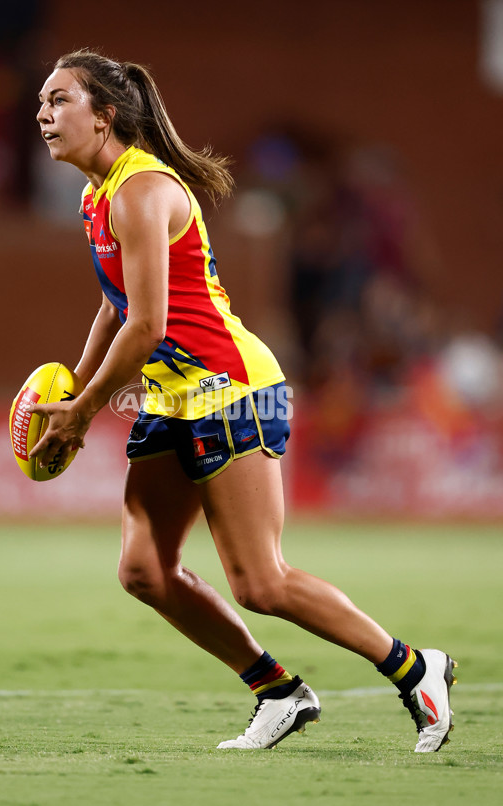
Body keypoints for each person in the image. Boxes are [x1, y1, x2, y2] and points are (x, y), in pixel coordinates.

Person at [29, 48, 456, 752]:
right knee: (144, 571)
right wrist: (76, 382)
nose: (43, 114)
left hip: (231, 389)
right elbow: (115, 304)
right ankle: (279, 692)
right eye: (42, 103)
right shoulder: (95, 195)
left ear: (104, 116)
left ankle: (415, 667)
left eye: (60, 100)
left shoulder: (142, 190)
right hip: (174, 399)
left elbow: (147, 325)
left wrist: (83, 411)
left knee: (261, 581)